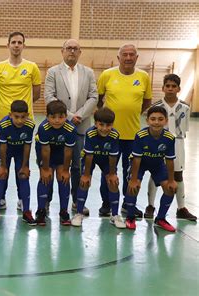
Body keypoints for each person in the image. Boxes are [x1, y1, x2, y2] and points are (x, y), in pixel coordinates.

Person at [44, 39, 98, 216]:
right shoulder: (53, 72)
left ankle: (76, 200)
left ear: (80, 52)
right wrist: (67, 116)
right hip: (57, 128)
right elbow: (49, 97)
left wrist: (79, 116)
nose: (72, 51)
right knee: (51, 165)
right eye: (69, 48)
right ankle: (46, 201)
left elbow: (93, 97)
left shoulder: (88, 72)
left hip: (81, 127)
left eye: (76, 49)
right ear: (62, 51)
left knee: (77, 166)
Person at [97, 44, 152, 218]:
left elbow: (147, 102)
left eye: (132, 54)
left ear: (137, 57)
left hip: (133, 136)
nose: (128, 57)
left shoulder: (144, 77)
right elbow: (98, 100)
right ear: (118, 57)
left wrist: (132, 113)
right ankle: (107, 203)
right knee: (108, 171)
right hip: (109, 135)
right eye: (124, 54)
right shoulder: (107, 75)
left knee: (131, 172)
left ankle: (129, 204)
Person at [0, 31, 41, 212]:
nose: (16, 45)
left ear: (24, 45)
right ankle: (0, 198)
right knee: (1, 161)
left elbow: (36, 94)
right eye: (13, 42)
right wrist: (8, 112)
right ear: (8, 45)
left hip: (25, 123)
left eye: (20, 42)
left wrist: (21, 113)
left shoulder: (32, 67)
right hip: (2, 122)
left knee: (22, 161)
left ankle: (21, 198)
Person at [146, 74, 196, 221]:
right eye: (167, 86)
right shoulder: (157, 107)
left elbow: (184, 129)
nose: (170, 88)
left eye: (174, 86)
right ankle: (150, 205)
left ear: (178, 88)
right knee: (156, 174)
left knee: (178, 175)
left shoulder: (185, 107)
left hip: (178, 143)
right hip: (159, 142)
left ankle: (181, 208)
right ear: (163, 88)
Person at [124, 106, 176, 232]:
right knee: (133, 186)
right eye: (153, 119)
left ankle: (161, 218)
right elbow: (136, 159)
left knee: (170, 189)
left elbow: (169, 160)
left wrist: (171, 180)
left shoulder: (169, 138)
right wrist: (134, 179)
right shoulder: (141, 136)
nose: (156, 122)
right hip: (140, 164)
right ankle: (130, 217)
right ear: (147, 121)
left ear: (166, 121)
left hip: (157, 164)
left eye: (160, 119)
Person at [71, 107, 125, 228]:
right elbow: (89, 156)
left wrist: (111, 174)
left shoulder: (115, 135)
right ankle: (79, 213)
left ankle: (115, 215)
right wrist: (86, 175)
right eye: (101, 124)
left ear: (113, 124)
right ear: (95, 123)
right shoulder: (90, 133)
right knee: (84, 182)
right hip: (91, 158)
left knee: (113, 182)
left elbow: (113, 157)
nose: (105, 128)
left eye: (108, 125)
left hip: (106, 160)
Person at [0, 100, 36, 226]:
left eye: (23, 117)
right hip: (5, 151)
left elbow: (27, 146)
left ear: (27, 115)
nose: (20, 120)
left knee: (23, 176)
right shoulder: (3, 125)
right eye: (16, 117)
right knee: (1, 175)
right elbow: (2, 147)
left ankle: (26, 211)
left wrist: (25, 166)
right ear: (10, 115)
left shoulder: (30, 125)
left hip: (20, 151)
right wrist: (3, 167)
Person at [35, 100, 76, 226]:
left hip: (61, 155)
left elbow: (68, 151)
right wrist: (45, 168)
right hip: (45, 153)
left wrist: (65, 170)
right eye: (53, 117)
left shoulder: (70, 129)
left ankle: (64, 211)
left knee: (63, 178)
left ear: (66, 116)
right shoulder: (43, 128)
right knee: (46, 178)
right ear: (47, 117)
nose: (57, 120)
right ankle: (41, 210)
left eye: (61, 117)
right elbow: (45, 150)